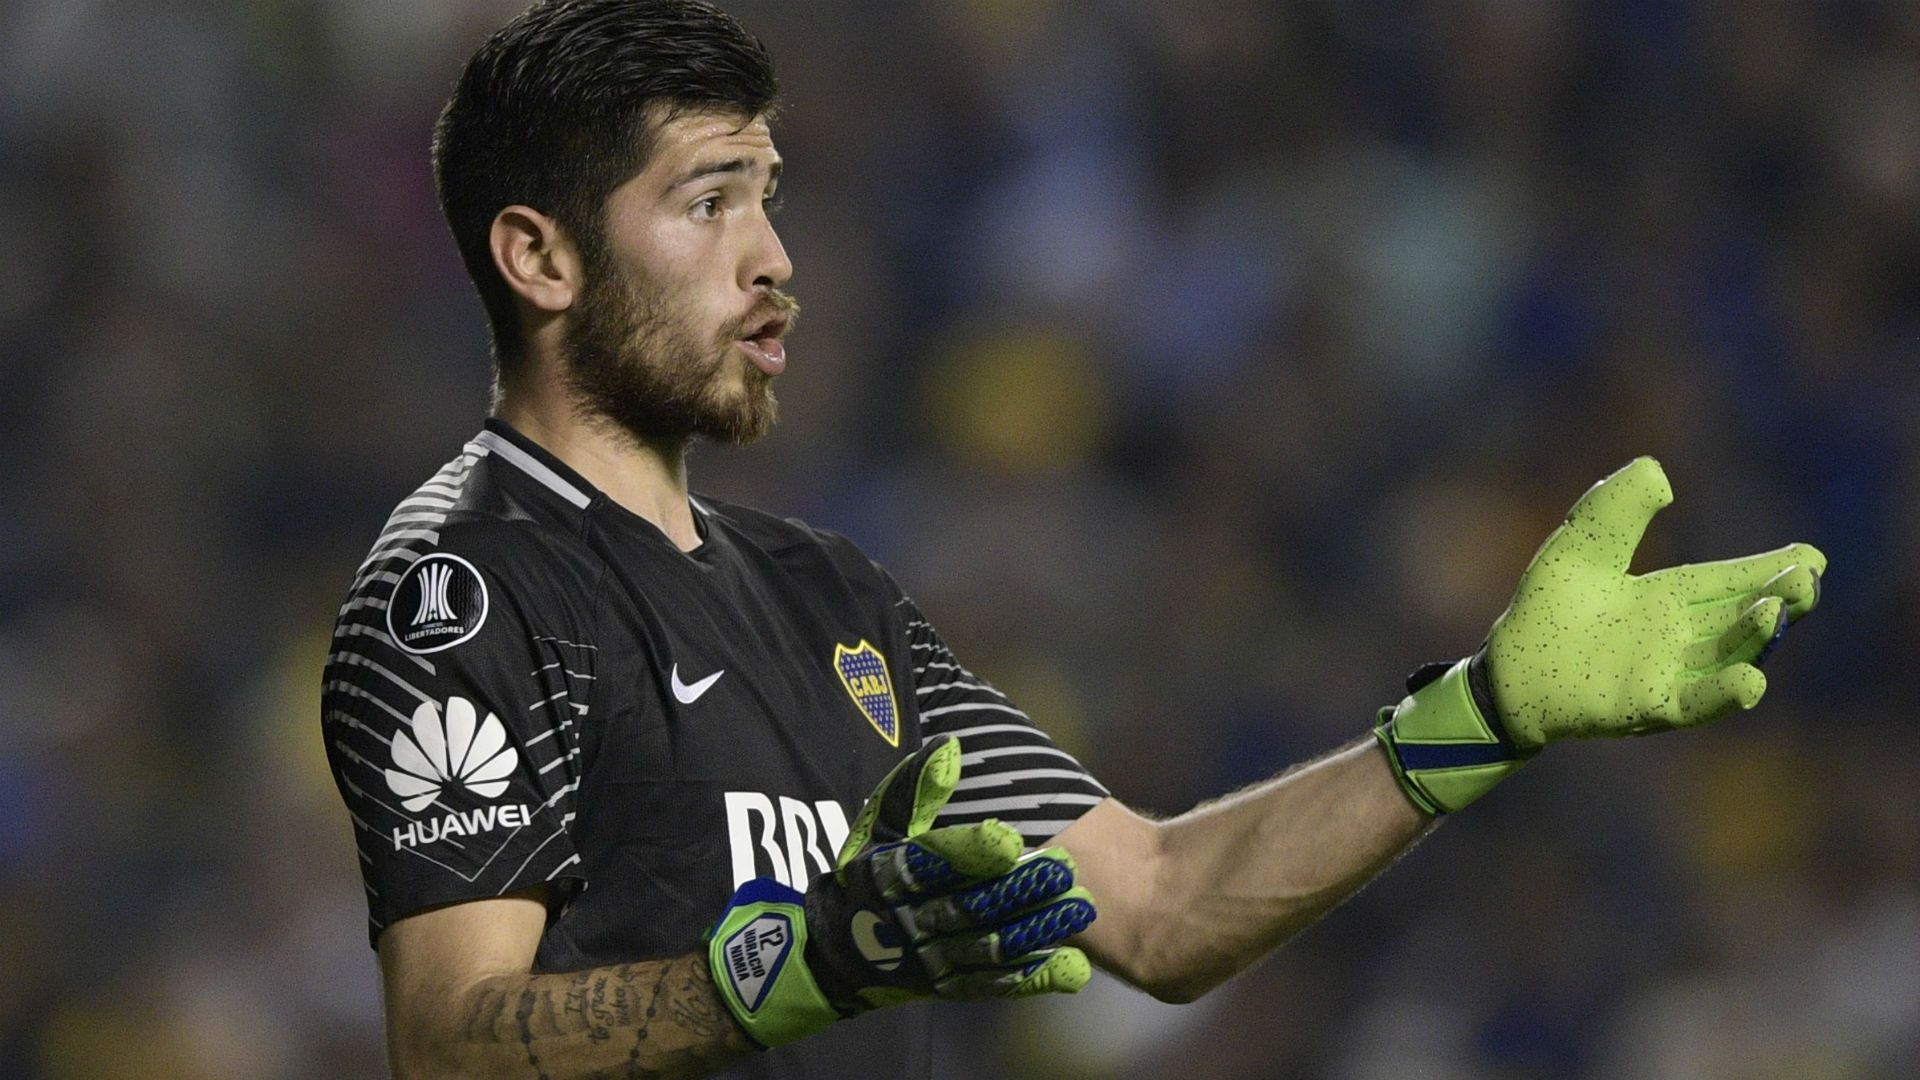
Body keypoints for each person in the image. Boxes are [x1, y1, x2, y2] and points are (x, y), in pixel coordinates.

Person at [319, 2, 1828, 1077]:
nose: (774, 258)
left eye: (769, 198)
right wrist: (798, 968)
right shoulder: (464, 589)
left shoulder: (827, 599)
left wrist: (1481, 717)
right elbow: (451, 1041)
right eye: (709, 204)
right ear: (540, 255)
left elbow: (1158, 903)